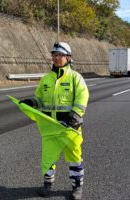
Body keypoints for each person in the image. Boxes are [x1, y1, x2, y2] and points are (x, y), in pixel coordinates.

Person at [19, 42, 89, 200]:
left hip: (70, 129)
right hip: (50, 128)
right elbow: (40, 98)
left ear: (68, 58)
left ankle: (77, 187)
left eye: (60, 55)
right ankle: (47, 184)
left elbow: (82, 98)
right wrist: (32, 102)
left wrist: (75, 116)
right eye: (54, 55)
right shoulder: (46, 79)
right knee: (48, 158)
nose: (56, 58)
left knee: (74, 158)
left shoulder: (75, 78)